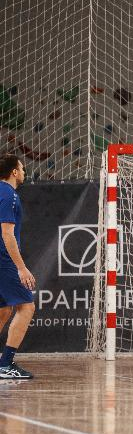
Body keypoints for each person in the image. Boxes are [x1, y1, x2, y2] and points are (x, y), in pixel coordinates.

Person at [0, 154, 35, 379]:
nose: (23, 172)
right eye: (21, 168)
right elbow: (7, 234)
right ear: (14, 171)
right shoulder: (9, 194)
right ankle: (5, 365)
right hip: (4, 260)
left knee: (3, 309)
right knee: (26, 307)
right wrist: (21, 268)